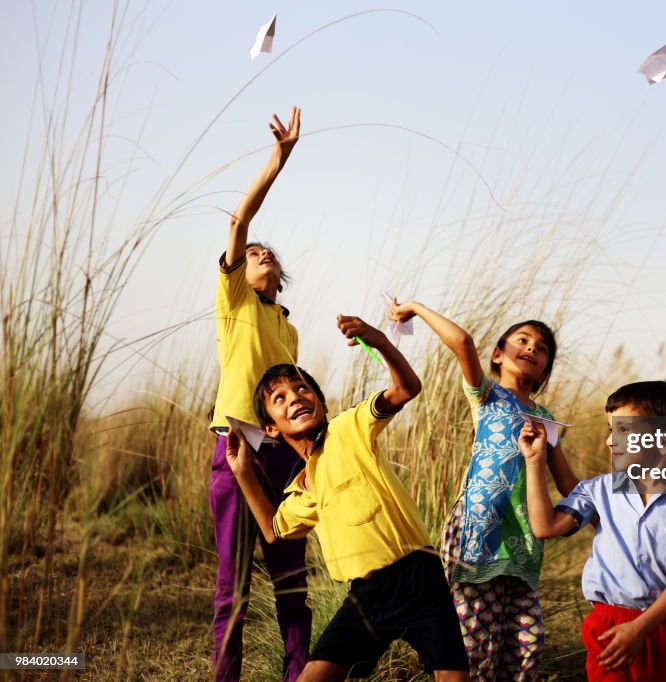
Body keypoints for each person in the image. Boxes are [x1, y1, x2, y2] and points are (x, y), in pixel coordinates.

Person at [224, 315, 470, 682]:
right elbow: (273, 530)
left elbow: (407, 388)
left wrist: (380, 341)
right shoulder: (301, 490)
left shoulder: (349, 427)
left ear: (321, 403)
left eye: (303, 389)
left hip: (419, 578)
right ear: (271, 428)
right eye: (280, 398)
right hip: (365, 597)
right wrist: (243, 473)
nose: (295, 398)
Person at [388, 300, 579, 681]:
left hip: (524, 542)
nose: (531, 349)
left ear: (545, 369)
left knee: (526, 646)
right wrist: (413, 308)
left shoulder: (545, 420)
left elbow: (568, 484)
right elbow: (462, 341)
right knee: (473, 645)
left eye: (542, 349)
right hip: (477, 537)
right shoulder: (486, 396)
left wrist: (613, 508)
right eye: (522, 341)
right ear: (497, 354)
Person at [208, 106, 311, 681]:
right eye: (252, 254)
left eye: (268, 252)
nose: (260, 253)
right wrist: (278, 160)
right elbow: (238, 222)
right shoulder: (236, 305)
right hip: (234, 452)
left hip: (281, 457)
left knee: (292, 585)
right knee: (233, 594)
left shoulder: (288, 328)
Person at [520, 380, 666, 682]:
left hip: (661, 629)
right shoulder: (597, 491)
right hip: (606, 626)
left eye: (624, 430)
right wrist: (535, 462)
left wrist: (640, 629)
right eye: (611, 430)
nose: (610, 441)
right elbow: (546, 526)